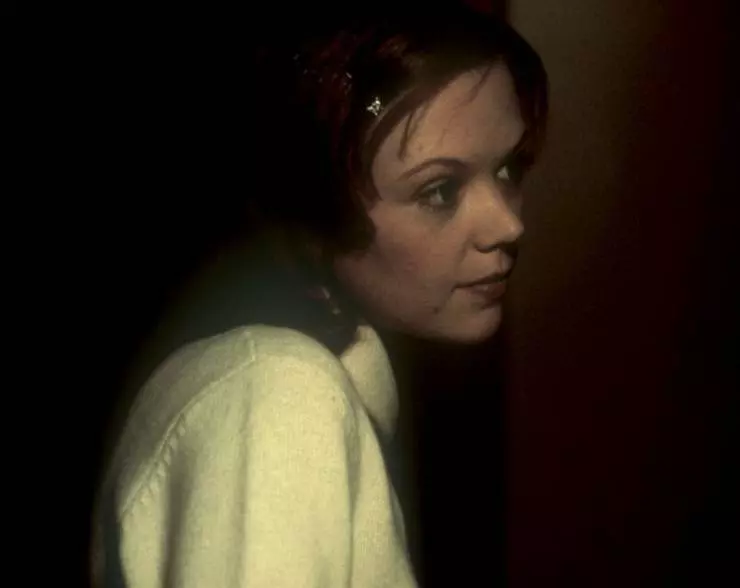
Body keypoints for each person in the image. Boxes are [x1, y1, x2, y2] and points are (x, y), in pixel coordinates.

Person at [90, 2, 548, 586]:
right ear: (313, 207)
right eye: (440, 190)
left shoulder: (302, 382)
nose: (508, 225)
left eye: (507, 170)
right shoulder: (280, 393)